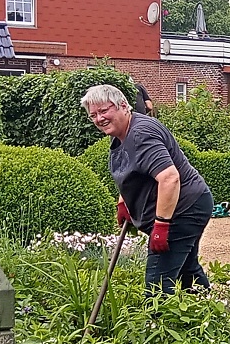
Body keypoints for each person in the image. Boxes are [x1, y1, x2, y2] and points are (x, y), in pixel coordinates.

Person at [81, 84, 212, 293]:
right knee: (187, 271)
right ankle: (208, 316)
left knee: (157, 286)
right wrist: (123, 201)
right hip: (189, 204)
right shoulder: (121, 134)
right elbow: (135, 171)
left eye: (104, 111)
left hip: (184, 209)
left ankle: (155, 322)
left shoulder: (141, 134)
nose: (99, 119)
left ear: (123, 106)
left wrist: (161, 225)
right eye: (93, 115)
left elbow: (169, 178)